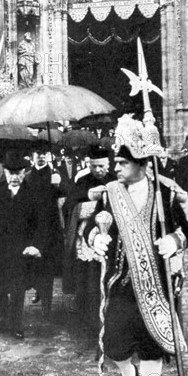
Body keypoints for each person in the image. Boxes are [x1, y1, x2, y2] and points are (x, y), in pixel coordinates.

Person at [85, 114, 188, 376]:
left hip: (156, 287)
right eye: (116, 162)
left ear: (142, 164)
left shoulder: (166, 195)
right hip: (120, 286)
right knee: (115, 347)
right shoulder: (109, 194)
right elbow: (90, 227)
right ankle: (127, 375)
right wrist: (97, 237)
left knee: (151, 350)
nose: (116, 168)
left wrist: (174, 239)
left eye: (122, 163)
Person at [63, 146, 115, 345]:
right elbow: (70, 206)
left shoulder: (115, 181)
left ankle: (109, 322)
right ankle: (88, 322)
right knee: (87, 281)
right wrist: (86, 203)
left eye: (101, 166)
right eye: (93, 166)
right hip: (85, 241)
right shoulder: (82, 181)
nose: (98, 170)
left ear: (107, 165)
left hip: (110, 238)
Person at [0, 150, 38, 339]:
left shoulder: (31, 195)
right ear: (4, 173)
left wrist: (34, 245)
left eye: (18, 173)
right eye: (10, 173)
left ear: (24, 173)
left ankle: (16, 323)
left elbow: (37, 223)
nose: (14, 177)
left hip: (21, 249)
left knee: (17, 288)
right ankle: (3, 317)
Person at [25, 141, 65, 317]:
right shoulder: (27, 176)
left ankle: (47, 305)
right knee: (34, 264)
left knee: (47, 265)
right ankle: (39, 292)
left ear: (48, 156)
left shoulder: (55, 174)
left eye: (44, 153)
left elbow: (66, 196)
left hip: (50, 226)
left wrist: (59, 186)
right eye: (38, 153)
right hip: (32, 227)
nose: (41, 156)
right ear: (33, 156)